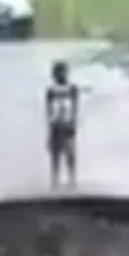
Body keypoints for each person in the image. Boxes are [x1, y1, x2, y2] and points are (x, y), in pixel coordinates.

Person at [45, 58, 80, 186]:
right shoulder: (51, 90)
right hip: (55, 124)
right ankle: (55, 179)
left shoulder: (72, 88)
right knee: (55, 154)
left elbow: (75, 107)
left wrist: (74, 122)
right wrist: (49, 128)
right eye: (58, 73)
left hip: (67, 123)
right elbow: (48, 110)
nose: (60, 75)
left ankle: (72, 178)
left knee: (70, 152)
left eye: (63, 72)